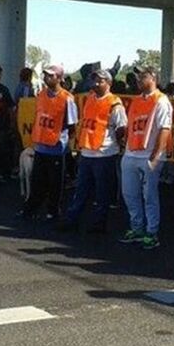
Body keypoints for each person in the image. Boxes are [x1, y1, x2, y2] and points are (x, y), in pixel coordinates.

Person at [58, 69, 127, 233]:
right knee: (81, 189)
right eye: (95, 80)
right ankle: (72, 220)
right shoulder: (90, 98)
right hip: (87, 152)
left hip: (104, 153)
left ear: (108, 84)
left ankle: (99, 224)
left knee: (102, 193)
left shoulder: (115, 104)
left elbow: (121, 127)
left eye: (100, 81)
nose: (96, 83)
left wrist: (116, 145)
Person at [118, 66, 172, 250]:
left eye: (143, 76)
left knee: (149, 196)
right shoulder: (136, 100)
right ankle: (137, 228)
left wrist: (155, 157)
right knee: (130, 194)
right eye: (138, 77)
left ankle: (151, 232)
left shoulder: (161, 101)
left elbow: (165, 129)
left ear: (154, 79)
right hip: (131, 153)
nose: (139, 80)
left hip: (149, 156)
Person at [20, 64, 78, 220]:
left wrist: (68, 146)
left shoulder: (67, 98)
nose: (46, 78)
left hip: (57, 148)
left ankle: (53, 211)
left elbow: (72, 126)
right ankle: (31, 210)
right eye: (45, 75)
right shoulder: (41, 95)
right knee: (37, 181)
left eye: (50, 75)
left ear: (59, 78)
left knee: (55, 184)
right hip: (41, 147)